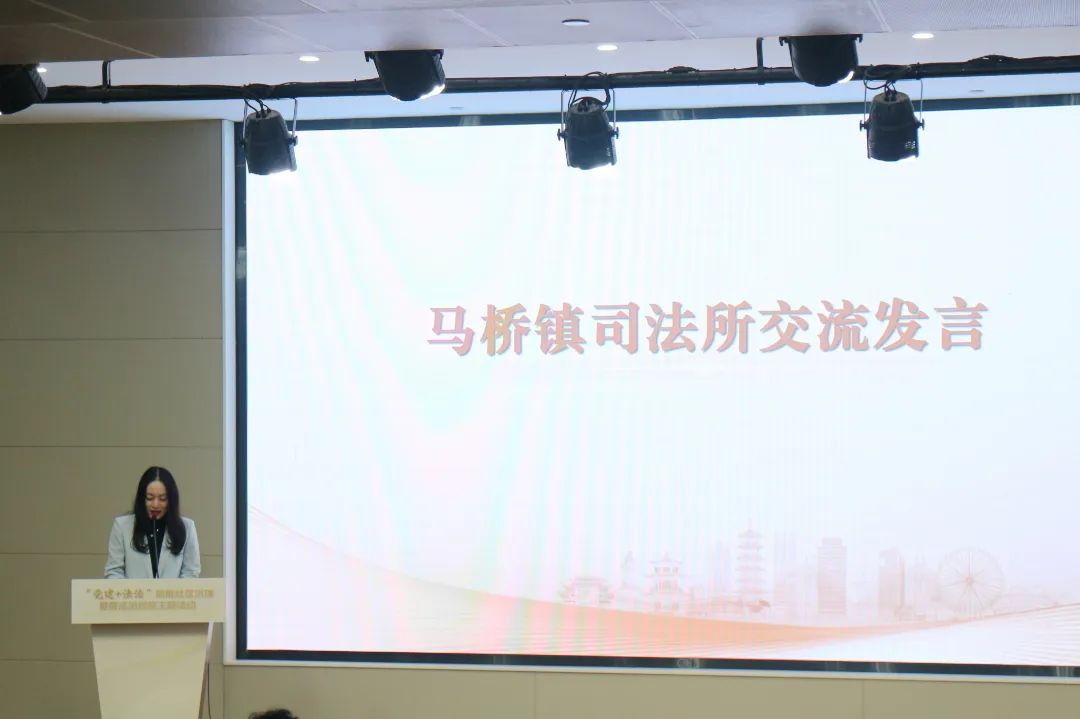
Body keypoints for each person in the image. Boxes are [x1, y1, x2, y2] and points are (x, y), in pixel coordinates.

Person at [104, 466, 201, 578]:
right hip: (134, 590)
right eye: (149, 498)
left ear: (171, 500)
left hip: (172, 591)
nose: (155, 504)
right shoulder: (122, 526)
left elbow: (191, 573)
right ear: (142, 498)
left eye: (162, 499)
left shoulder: (187, 528)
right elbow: (114, 572)